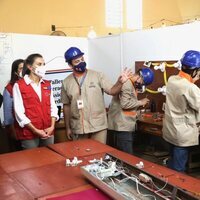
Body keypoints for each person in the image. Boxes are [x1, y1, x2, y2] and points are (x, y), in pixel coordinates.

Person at [61, 47, 131, 144]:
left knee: (99, 156)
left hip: (98, 125)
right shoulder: (66, 82)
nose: (81, 62)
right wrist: (68, 128)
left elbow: (112, 91)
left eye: (82, 59)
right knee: (81, 156)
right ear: (70, 65)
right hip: (78, 127)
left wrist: (120, 83)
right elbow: (66, 106)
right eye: (77, 61)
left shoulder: (98, 75)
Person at [162, 50, 200, 172]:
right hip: (182, 134)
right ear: (195, 70)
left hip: (171, 130)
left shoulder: (172, 79)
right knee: (179, 170)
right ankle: (177, 190)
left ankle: (169, 188)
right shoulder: (190, 88)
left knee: (172, 164)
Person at [13, 54, 59, 149]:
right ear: (30, 67)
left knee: (49, 158)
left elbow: (53, 107)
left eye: (44, 64)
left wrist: (52, 127)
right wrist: (35, 130)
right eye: (39, 64)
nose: (43, 67)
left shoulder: (47, 84)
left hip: (48, 131)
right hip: (30, 134)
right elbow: (19, 113)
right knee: (32, 161)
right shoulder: (19, 85)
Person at [107, 68, 154, 154]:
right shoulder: (127, 84)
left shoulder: (131, 84)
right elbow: (125, 104)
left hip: (123, 124)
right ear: (140, 77)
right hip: (122, 125)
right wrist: (140, 102)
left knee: (123, 155)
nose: (142, 85)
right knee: (127, 157)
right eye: (143, 82)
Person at [3, 59, 24, 151]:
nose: (24, 71)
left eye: (26, 68)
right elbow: (8, 114)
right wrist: (13, 132)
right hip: (17, 129)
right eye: (21, 68)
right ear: (15, 71)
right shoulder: (10, 88)